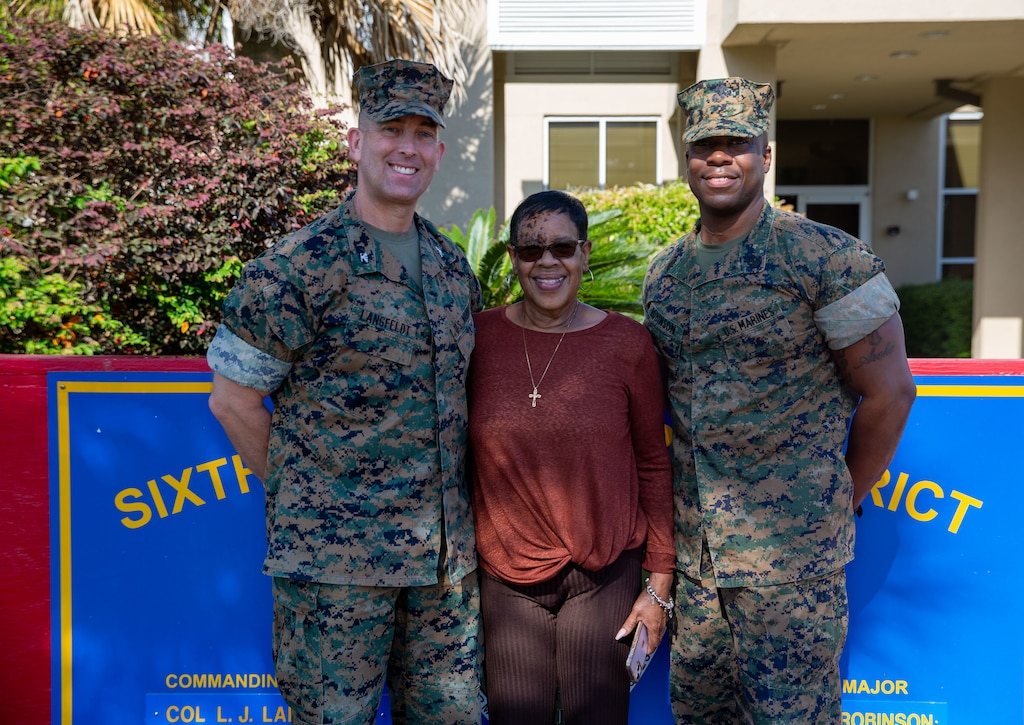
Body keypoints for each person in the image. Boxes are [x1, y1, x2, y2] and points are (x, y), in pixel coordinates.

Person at [205, 59, 483, 725]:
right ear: (358, 142)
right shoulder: (298, 268)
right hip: (335, 573)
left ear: (439, 152)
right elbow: (233, 400)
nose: (408, 147)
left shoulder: (452, 270)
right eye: (391, 129)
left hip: (445, 575)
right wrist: (312, 499)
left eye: (423, 132)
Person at [642, 77, 917, 724]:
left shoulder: (825, 258)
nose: (718, 158)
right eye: (704, 145)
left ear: (764, 155)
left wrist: (839, 495)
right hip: (699, 563)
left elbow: (891, 392)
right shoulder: (665, 274)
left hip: (791, 563)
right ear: (686, 160)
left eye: (735, 143)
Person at [468, 190, 675, 725]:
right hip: (507, 576)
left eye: (562, 247)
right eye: (531, 250)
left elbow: (653, 463)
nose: (547, 262)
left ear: (584, 253)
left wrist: (659, 584)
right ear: (512, 258)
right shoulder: (476, 339)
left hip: (604, 572)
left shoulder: (627, 344)